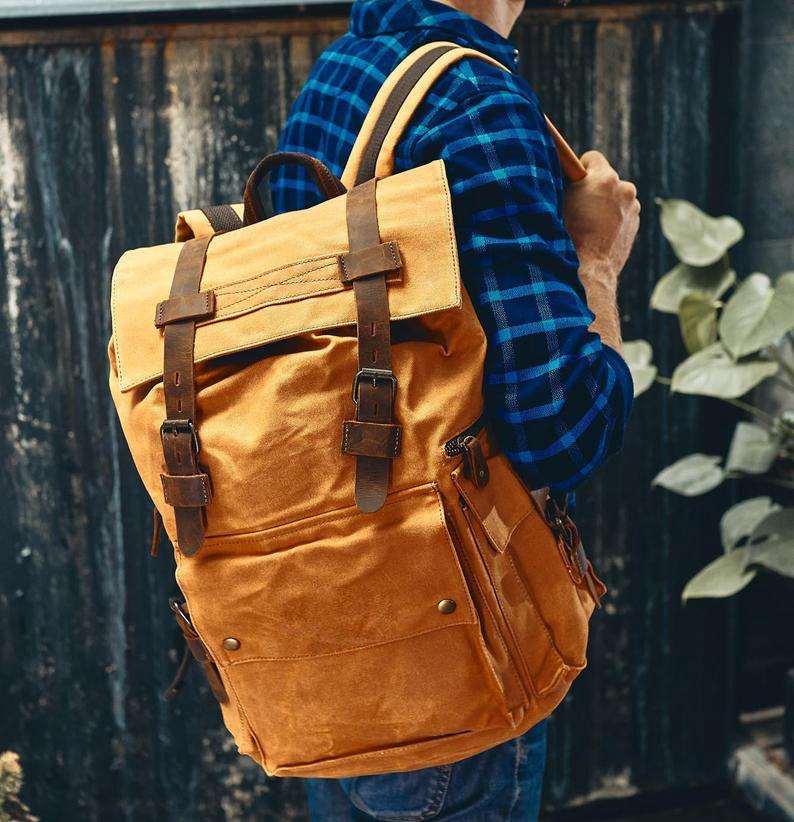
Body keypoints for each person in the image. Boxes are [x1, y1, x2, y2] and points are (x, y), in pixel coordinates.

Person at [273, 0, 640, 818]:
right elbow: (564, 426)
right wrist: (600, 260)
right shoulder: (475, 100)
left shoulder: (343, 73)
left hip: (322, 630)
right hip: (448, 656)